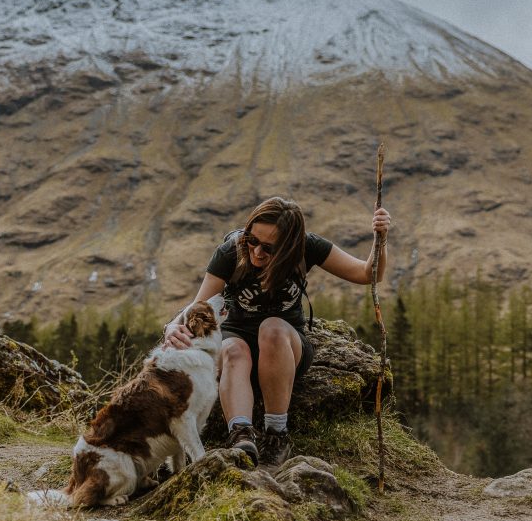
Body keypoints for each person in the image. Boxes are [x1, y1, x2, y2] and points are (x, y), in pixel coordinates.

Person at [163, 196, 390, 467]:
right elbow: (199, 305)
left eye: (269, 248)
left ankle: (276, 436)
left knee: (271, 328)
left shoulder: (308, 247)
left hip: (285, 345)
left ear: (290, 246)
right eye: (252, 241)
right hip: (235, 342)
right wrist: (172, 327)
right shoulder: (231, 252)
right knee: (233, 349)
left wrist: (380, 239)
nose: (258, 252)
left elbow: (369, 274)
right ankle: (241, 438)